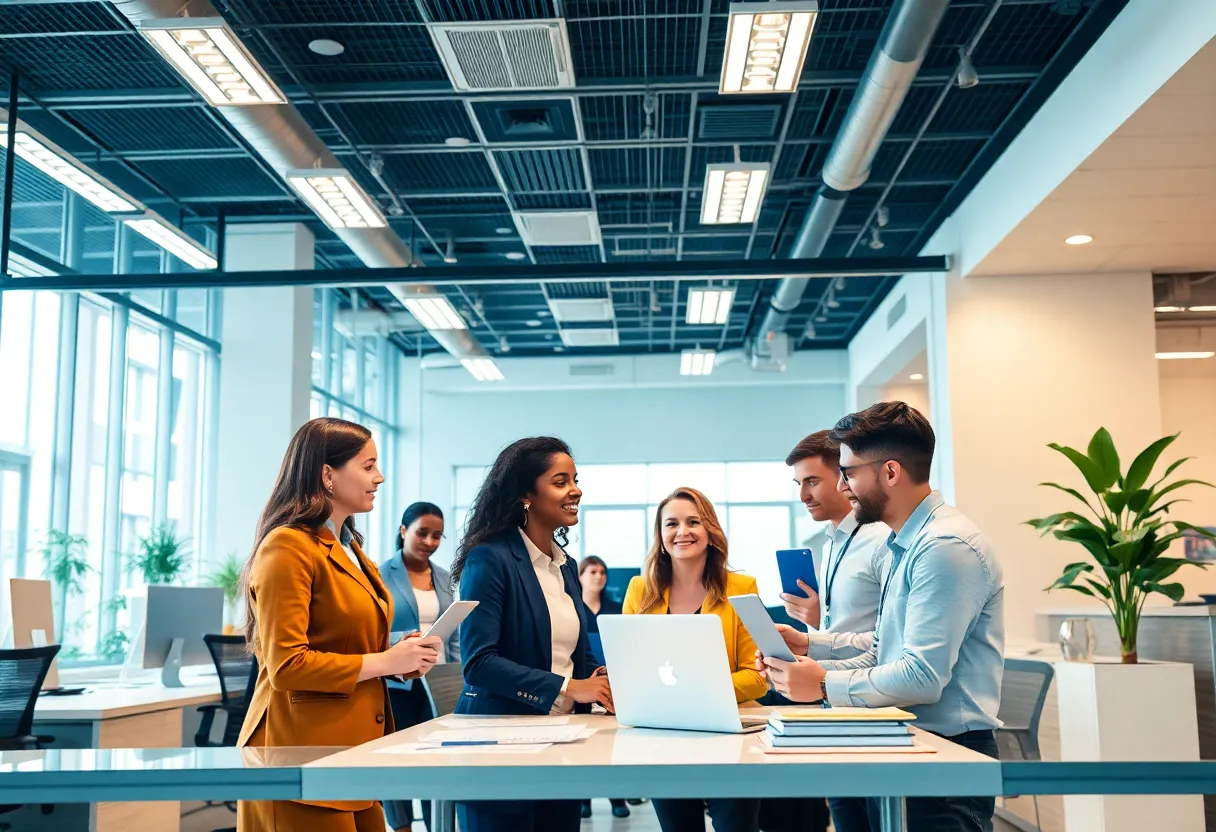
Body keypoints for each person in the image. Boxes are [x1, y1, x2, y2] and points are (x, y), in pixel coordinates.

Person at [760, 402, 1005, 832]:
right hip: (905, 741)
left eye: (850, 472)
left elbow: (921, 677)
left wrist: (821, 682)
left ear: (890, 472)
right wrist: (811, 653)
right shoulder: (902, 545)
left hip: (947, 757)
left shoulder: (945, 546)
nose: (843, 485)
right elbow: (881, 649)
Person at [237, 417, 442, 832]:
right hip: (301, 756)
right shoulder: (287, 546)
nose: (379, 477)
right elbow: (287, 665)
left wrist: (401, 653)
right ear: (327, 475)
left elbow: (349, 639)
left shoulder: (350, 546)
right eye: (367, 467)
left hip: (355, 755)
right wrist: (385, 662)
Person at [450, 437, 614, 832]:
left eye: (575, 479)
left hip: (564, 742)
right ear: (525, 494)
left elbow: (574, 654)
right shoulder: (489, 558)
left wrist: (601, 681)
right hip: (502, 746)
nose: (575, 489)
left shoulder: (565, 565)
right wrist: (570, 687)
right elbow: (479, 663)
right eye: (561, 481)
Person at [761, 431, 892, 832]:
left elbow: (890, 640)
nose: (803, 495)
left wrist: (815, 641)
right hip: (837, 706)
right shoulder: (833, 541)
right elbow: (849, 625)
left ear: (843, 476)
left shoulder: (882, 540)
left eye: (811, 481)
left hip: (876, 707)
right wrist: (812, 630)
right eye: (798, 484)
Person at [624, 487, 767, 832]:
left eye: (693, 522)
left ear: (711, 531)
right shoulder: (639, 590)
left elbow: (758, 676)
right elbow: (629, 670)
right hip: (663, 739)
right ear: (660, 535)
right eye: (671, 523)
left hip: (731, 738)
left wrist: (697, 693)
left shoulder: (742, 587)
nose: (682, 531)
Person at [380, 502, 460, 832]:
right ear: (403, 531)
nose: (429, 541)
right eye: (422, 533)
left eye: (437, 536)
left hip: (438, 682)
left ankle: (436, 824)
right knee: (395, 759)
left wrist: (458, 674)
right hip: (398, 683)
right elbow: (371, 632)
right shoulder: (379, 573)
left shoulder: (443, 577)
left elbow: (452, 632)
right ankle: (401, 826)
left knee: (435, 760)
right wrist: (404, 640)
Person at [577, 555, 629, 821]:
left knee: (612, 740)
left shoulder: (616, 607)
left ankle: (616, 796)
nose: (598, 577)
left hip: (614, 677)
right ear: (580, 576)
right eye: (592, 572)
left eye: (602, 572)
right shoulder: (572, 608)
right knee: (584, 739)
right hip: (583, 680)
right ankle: (583, 797)